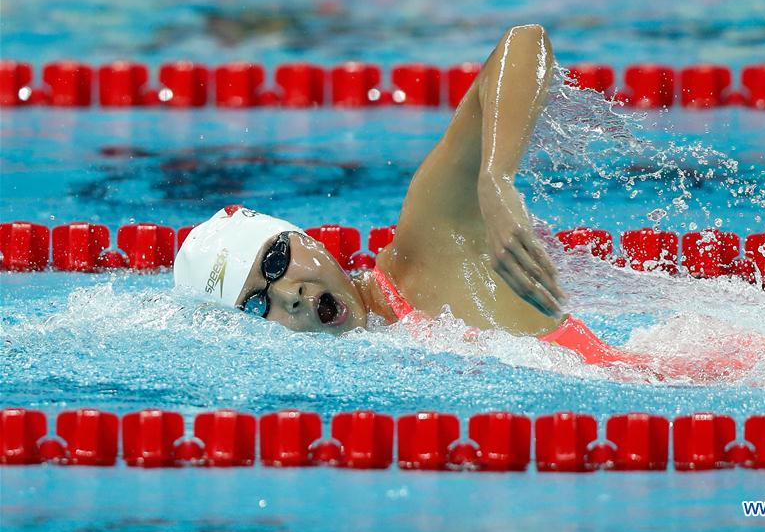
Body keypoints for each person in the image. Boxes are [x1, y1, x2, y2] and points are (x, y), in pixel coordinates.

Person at [174, 25, 711, 376]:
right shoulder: (373, 371)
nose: (286, 296)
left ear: (306, 238)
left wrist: (495, 180)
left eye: (274, 262)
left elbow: (524, 43)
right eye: (256, 303)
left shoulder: (431, 249)